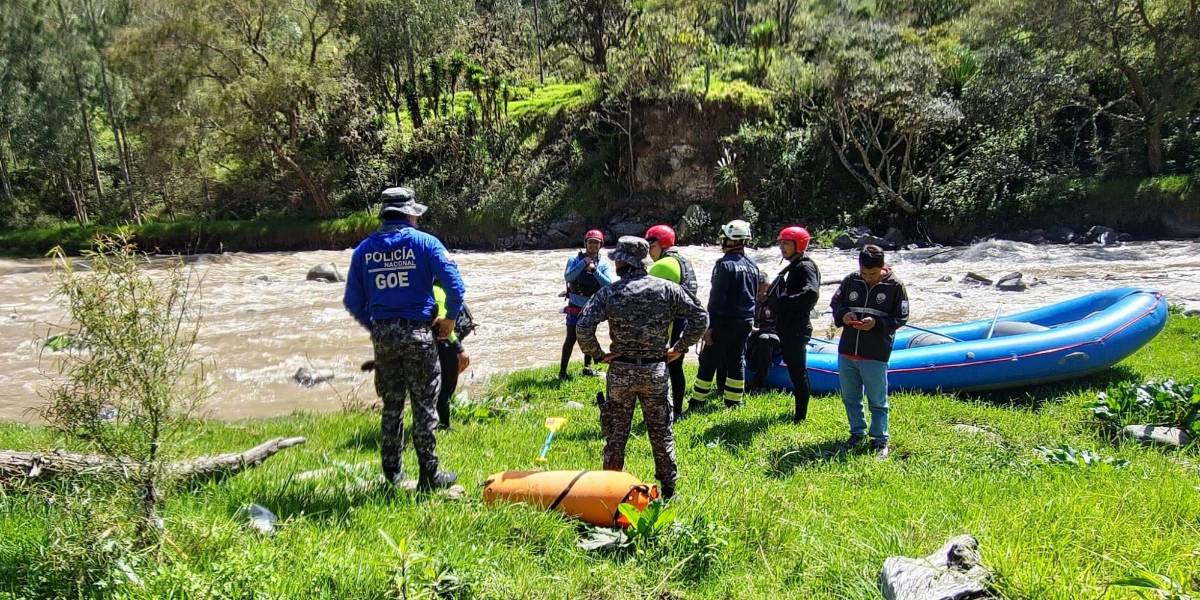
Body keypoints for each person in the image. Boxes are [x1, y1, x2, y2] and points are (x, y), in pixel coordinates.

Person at [343, 186, 463, 490]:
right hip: (418, 332)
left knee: (392, 403)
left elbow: (353, 301)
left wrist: (376, 328)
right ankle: (429, 474)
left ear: (385, 214)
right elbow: (456, 287)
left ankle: (393, 472)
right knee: (424, 403)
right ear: (411, 213)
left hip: (383, 334)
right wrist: (449, 319)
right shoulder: (426, 243)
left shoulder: (363, 250)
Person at [576, 236, 707, 500]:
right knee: (661, 433)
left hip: (621, 372)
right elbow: (700, 317)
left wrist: (599, 355)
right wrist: (679, 347)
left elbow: (582, 327)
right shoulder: (667, 289)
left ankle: (609, 492)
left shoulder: (609, 292)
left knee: (616, 435)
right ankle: (669, 491)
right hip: (655, 371)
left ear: (622, 262)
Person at [829, 244, 908, 458]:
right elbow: (835, 303)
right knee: (850, 397)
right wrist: (843, 314)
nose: (868, 278)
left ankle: (880, 439)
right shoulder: (851, 280)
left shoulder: (896, 286)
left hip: (875, 352)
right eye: (864, 273)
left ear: (882, 268)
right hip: (847, 349)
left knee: (877, 399)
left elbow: (901, 318)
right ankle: (856, 433)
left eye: (872, 274)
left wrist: (877, 323)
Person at [690, 219, 760, 410]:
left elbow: (717, 299)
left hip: (724, 322)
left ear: (729, 239)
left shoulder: (724, 265)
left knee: (708, 360)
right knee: (737, 360)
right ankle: (733, 402)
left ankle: (697, 402)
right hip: (745, 321)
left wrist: (708, 327)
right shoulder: (753, 266)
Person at [765, 226, 821, 423]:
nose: (782, 247)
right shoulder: (795, 266)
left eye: (786, 244)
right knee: (795, 371)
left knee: (798, 373)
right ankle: (799, 414)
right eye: (781, 243)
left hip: (797, 329)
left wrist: (783, 302)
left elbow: (811, 293)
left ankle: (800, 417)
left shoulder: (804, 267)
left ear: (799, 245)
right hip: (789, 327)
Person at [645, 224, 699, 421]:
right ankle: (677, 411)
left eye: (651, 246)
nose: (649, 252)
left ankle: (661, 413)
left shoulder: (662, 265)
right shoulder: (684, 261)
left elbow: (645, 298)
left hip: (669, 326)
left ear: (662, 244)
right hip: (685, 323)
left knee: (659, 369)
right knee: (677, 368)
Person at [560, 230, 614, 380]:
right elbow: (568, 276)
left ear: (600, 245)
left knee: (589, 337)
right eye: (590, 242)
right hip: (575, 305)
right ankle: (562, 372)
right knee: (571, 338)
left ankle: (587, 368)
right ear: (585, 244)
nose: (592, 246)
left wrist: (594, 270)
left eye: (596, 243)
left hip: (592, 307)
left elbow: (608, 284)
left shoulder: (602, 263)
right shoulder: (574, 260)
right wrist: (582, 264)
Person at [432, 282, 473, 430]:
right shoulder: (438, 292)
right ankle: (443, 426)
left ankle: (436, 423)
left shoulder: (426, 289)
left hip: (436, 345)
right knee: (445, 388)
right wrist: (460, 350)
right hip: (445, 345)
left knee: (438, 387)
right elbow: (443, 324)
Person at [746, 270, 779, 392]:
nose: (759, 294)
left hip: (774, 336)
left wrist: (759, 330)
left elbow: (781, 325)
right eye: (756, 291)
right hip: (755, 335)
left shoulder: (777, 301)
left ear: (768, 286)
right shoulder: (751, 302)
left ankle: (760, 383)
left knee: (764, 338)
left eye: (761, 290)